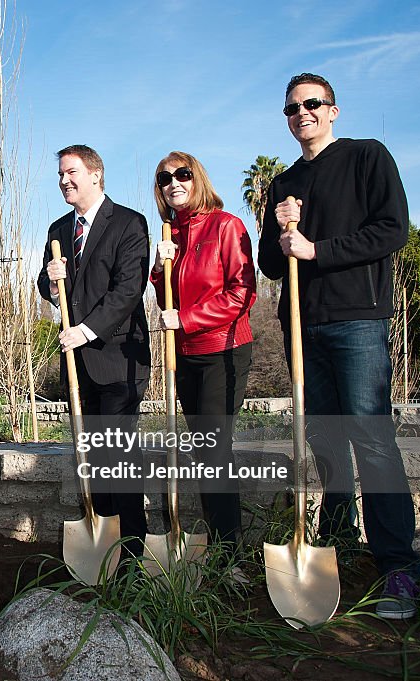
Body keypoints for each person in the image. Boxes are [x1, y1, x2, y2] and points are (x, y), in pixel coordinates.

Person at [258, 73, 420, 619]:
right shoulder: (281, 183)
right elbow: (267, 265)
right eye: (291, 108)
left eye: (311, 104)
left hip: (356, 318)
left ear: (333, 110)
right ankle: (335, 542)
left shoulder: (366, 157)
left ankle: (398, 567)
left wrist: (314, 249)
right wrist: (280, 236)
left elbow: (392, 229)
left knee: (372, 440)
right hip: (302, 325)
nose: (301, 113)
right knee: (325, 439)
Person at [37, 144, 151, 556]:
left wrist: (85, 330)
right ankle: (104, 550)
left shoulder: (128, 224)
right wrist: (52, 284)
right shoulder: (57, 230)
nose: (64, 181)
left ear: (95, 175)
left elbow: (127, 291)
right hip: (78, 364)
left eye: (71, 173)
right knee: (94, 456)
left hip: (119, 359)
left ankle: (134, 554)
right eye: (61, 175)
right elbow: (47, 288)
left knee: (118, 456)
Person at [150, 151, 256, 562]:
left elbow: (242, 293)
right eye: (164, 178)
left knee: (213, 450)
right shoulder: (169, 235)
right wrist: (160, 271)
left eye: (182, 174)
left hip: (223, 351)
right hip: (185, 356)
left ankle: (231, 557)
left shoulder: (226, 226)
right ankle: (216, 545)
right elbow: (165, 300)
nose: (173, 183)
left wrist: (187, 319)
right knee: (202, 451)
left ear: (198, 179)